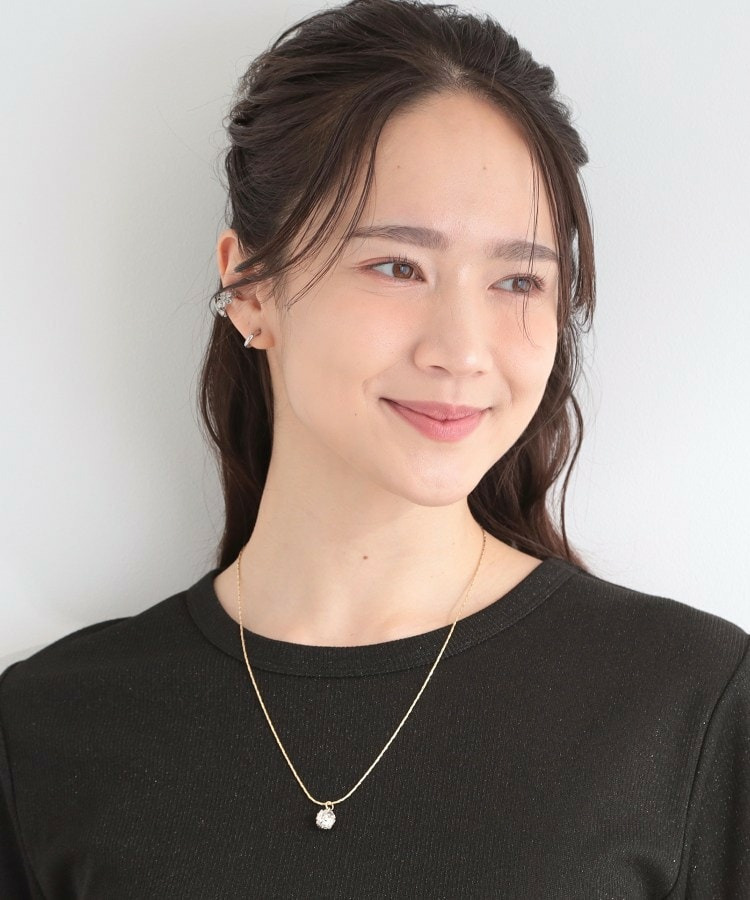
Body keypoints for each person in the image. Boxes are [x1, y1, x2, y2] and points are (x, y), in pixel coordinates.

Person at [1, 0, 748, 896]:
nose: (461, 351)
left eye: (519, 280)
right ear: (250, 289)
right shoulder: (48, 731)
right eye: (397, 266)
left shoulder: (693, 706)